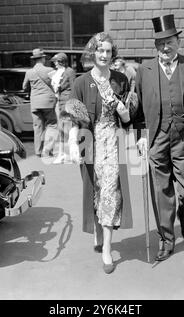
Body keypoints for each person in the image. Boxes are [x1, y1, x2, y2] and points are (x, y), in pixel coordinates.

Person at [133, 14, 184, 262]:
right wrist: (140, 135)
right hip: (156, 138)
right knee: (160, 191)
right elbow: (137, 107)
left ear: (178, 40)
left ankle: (183, 216)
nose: (164, 47)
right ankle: (166, 238)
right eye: (159, 43)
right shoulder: (144, 70)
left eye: (169, 41)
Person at [67, 32, 133, 273]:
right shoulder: (81, 82)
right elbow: (74, 116)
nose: (104, 55)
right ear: (93, 53)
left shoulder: (121, 79)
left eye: (108, 51)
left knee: (109, 192)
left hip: (113, 142)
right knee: (93, 189)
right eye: (100, 51)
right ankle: (97, 230)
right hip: (89, 141)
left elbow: (129, 117)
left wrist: (124, 112)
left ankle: (106, 249)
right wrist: (74, 141)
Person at [22, 48, 58, 157]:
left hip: (35, 103)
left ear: (34, 60)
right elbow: (57, 84)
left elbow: (24, 87)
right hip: (48, 102)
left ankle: (38, 151)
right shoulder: (50, 70)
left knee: (37, 127)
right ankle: (47, 150)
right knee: (52, 124)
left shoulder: (29, 72)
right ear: (42, 59)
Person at [50, 52, 76, 164]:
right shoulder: (58, 72)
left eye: (56, 61)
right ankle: (62, 154)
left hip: (67, 102)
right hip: (59, 102)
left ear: (61, 61)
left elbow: (74, 87)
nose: (55, 63)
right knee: (61, 128)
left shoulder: (69, 71)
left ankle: (70, 153)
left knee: (68, 128)